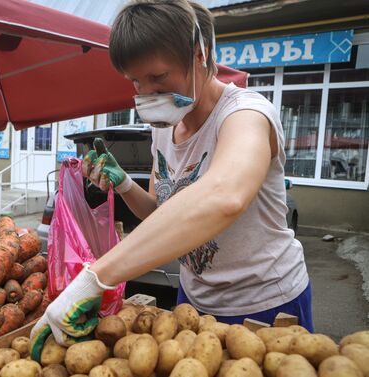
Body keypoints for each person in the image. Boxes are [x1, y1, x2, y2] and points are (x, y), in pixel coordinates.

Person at [30, 0, 313, 359]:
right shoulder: (166, 129)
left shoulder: (247, 114)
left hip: (265, 305)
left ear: (200, 54)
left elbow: (225, 195)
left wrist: (97, 277)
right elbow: (159, 212)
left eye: (158, 77)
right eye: (136, 80)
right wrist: (124, 184)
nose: (147, 92)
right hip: (192, 301)